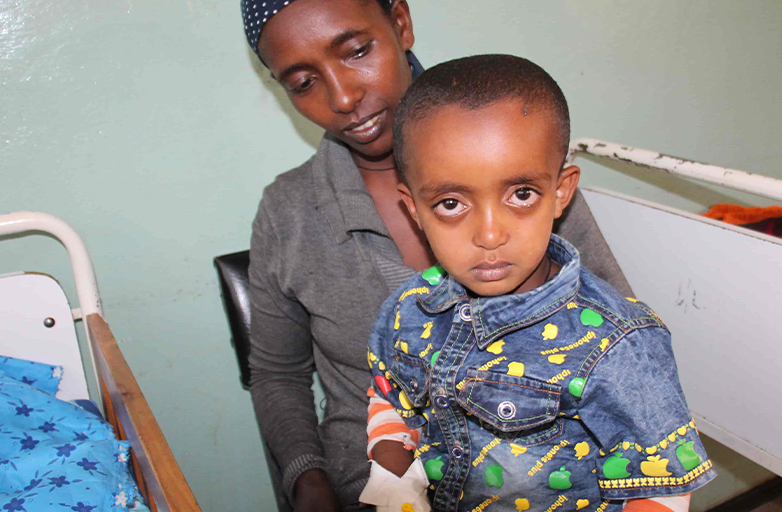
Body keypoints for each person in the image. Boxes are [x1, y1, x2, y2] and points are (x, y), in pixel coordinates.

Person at [241, 1, 634, 510]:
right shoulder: (288, 212)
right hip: (374, 480)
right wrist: (309, 483)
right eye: (302, 82)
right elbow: (278, 373)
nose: (343, 97)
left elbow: (620, 336)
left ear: (400, 23)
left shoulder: (517, 164)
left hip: (549, 478)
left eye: (357, 51)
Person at [361, 54, 714, 512]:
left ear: (561, 192)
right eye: (451, 203)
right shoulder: (408, 310)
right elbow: (391, 399)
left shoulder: (618, 344)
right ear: (414, 210)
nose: (489, 235)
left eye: (521, 194)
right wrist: (394, 490)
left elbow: (660, 488)